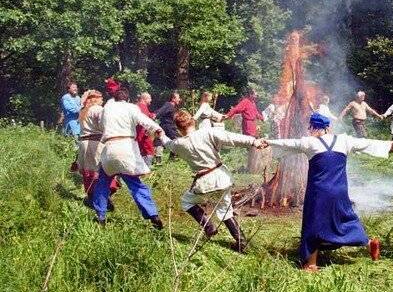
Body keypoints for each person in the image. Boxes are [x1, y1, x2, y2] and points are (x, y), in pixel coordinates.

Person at [264, 113, 393, 271]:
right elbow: (366, 143)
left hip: (318, 191)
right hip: (339, 190)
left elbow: (288, 144)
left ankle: (311, 264)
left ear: (312, 128)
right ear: (328, 127)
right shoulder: (344, 140)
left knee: (313, 224)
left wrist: (266, 141)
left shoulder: (310, 143)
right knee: (346, 219)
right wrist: (390, 145)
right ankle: (369, 244)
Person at [159, 111, 266, 252]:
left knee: (187, 201)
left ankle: (209, 227)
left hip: (206, 182)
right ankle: (241, 242)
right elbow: (231, 137)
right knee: (225, 210)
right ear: (193, 122)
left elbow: (168, 144)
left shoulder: (179, 144)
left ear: (179, 128)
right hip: (222, 177)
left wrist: (161, 135)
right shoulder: (207, 132)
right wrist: (253, 141)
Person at [92, 86, 164, 229]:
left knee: (102, 183)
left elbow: (101, 126)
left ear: (115, 98)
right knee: (136, 185)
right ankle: (152, 215)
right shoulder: (131, 107)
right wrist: (157, 129)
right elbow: (144, 120)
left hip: (109, 149)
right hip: (126, 149)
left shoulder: (107, 108)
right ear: (128, 99)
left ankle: (101, 216)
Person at [77, 90, 119, 207]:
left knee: (89, 171)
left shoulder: (83, 111)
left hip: (84, 143)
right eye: (101, 98)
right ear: (95, 99)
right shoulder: (97, 109)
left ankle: (92, 198)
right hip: (95, 143)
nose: (102, 100)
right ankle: (103, 198)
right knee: (100, 170)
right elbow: (104, 123)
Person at [136, 92, 157, 166]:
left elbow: (145, 116)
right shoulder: (142, 106)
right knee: (149, 150)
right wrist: (148, 131)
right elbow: (144, 121)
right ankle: (146, 169)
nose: (151, 100)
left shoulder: (138, 106)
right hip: (144, 133)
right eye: (150, 98)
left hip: (139, 133)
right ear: (144, 99)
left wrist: (151, 115)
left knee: (142, 150)